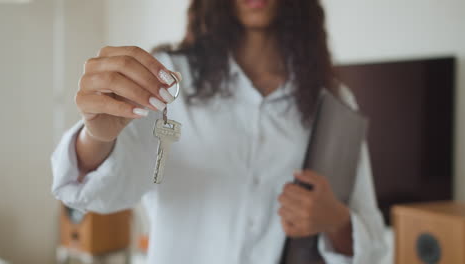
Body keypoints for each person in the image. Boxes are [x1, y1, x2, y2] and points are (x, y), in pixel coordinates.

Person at [51, 0, 386, 263]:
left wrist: (336, 221)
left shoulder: (334, 102)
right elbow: (110, 190)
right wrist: (97, 136)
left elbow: (373, 244)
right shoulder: (168, 78)